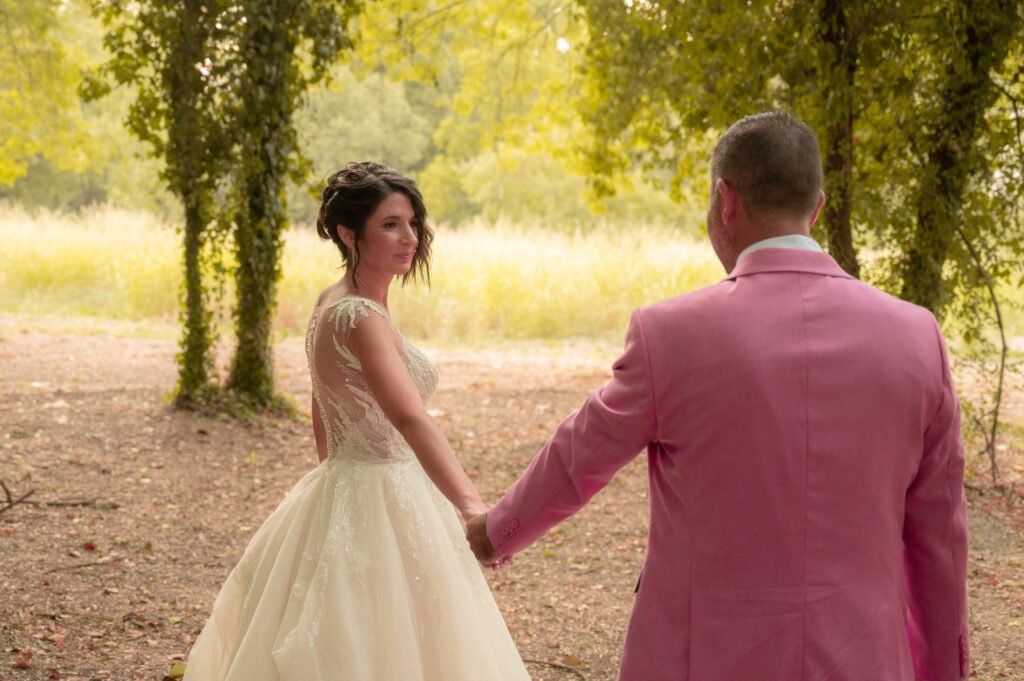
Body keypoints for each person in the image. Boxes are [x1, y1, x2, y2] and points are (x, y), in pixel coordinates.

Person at [467, 111, 970, 681]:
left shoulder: (671, 333)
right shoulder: (916, 335)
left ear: (725, 201)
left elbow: (579, 458)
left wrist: (492, 535)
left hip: (701, 657)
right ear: (818, 207)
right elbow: (940, 538)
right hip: (865, 659)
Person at [183, 162, 530, 681]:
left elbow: (325, 424)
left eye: (412, 223)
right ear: (349, 233)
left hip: (345, 482)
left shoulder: (333, 302)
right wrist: (472, 507)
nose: (409, 237)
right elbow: (410, 417)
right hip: (379, 485)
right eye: (390, 224)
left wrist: (340, 496)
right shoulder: (360, 317)